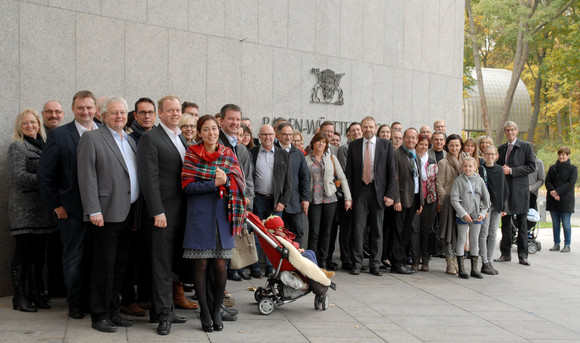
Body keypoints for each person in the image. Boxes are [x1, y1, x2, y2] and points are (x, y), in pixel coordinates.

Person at [77, 96, 138, 332]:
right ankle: (99, 314)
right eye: (114, 113)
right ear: (103, 115)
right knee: (104, 266)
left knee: (121, 266)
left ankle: (114, 310)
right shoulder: (91, 138)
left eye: (123, 113)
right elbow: (86, 176)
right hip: (104, 213)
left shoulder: (130, 140)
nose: (119, 117)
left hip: (128, 213)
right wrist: (93, 210)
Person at [181, 114, 245, 332]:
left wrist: (226, 182)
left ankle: (217, 309)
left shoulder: (228, 154)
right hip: (199, 216)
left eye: (214, 129)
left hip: (223, 216)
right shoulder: (192, 153)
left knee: (220, 265)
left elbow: (238, 180)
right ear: (199, 133)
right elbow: (187, 186)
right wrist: (212, 183)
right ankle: (205, 313)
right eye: (206, 129)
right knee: (200, 264)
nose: (211, 133)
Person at [38, 90, 99, 319]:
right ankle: (75, 303)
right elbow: (45, 175)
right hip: (71, 211)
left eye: (89, 107)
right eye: (81, 107)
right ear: (72, 109)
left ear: (96, 109)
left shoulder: (104, 132)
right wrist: (55, 205)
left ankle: (95, 300)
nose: (85, 112)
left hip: (101, 212)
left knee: (96, 259)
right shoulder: (59, 135)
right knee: (74, 258)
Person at [137, 95, 189, 336]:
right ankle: (162, 316)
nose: (175, 114)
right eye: (170, 111)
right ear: (160, 113)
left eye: (178, 110)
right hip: (162, 215)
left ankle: (165, 309)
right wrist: (157, 210)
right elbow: (149, 179)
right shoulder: (150, 138)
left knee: (170, 265)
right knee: (160, 265)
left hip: (180, 214)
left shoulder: (181, 138)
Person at [8, 109, 58, 312]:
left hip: (43, 211)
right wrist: (46, 181)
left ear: (39, 124)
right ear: (19, 127)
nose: (30, 126)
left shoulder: (45, 146)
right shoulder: (17, 147)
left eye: (33, 122)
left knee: (39, 255)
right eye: (25, 123)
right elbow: (19, 176)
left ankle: (36, 293)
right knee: (23, 254)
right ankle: (19, 297)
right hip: (24, 210)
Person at [346, 116, 397, 276]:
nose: (368, 130)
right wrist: (349, 195)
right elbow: (349, 172)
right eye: (365, 127)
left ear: (375, 128)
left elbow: (391, 171)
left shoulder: (386, 145)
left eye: (370, 127)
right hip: (360, 191)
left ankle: (375, 264)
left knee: (377, 229)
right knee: (358, 229)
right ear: (361, 128)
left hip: (378, 191)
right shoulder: (354, 145)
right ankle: (357, 263)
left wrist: (390, 194)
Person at [217, 104, 254, 281]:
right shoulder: (216, 144)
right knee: (219, 256)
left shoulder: (241, 149)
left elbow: (248, 180)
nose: (234, 122)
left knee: (228, 253)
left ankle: (220, 295)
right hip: (221, 207)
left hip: (239, 208)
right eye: (231, 118)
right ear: (221, 120)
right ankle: (217, 298)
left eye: (237, 119)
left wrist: (248, 203)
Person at [249, 124, 292, 277]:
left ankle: (270, 267)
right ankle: (255, 268)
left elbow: (289, 181)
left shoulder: (283, 155)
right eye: (264, 134)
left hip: (276, 202)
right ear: (259, 136)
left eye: (270, 134)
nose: (268, 137)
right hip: (257, 199)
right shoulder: (252, 153)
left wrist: (283, 201)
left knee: (274, 235)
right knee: (256, 234)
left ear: (275, 136)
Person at [306, 132, 352, 268]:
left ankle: (323, 261)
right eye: (319, 141)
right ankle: (310, 261)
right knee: (314, 232)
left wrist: (348, 198)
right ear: (313, 143)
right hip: (313, 200)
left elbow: (342, 178)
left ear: (326, 145)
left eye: (324, 142)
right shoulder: (306, 159)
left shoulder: (331, 158)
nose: (321, 144)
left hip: (330, 198)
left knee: (327, 231)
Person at [494, 121, 536, 266]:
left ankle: (523, 255)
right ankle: (505, 253)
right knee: (505, 223)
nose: (510, 132)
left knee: (522, 225)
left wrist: (512, 171)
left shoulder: (525, 147)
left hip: (520, 191)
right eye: (507, 130)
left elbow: (532, 166)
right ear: (505, 132)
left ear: (517, 131)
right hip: (506, 190)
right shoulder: (502, 148)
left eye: (512, 130)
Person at [450, 157, 490, 279]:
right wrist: (463, 214)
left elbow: (486, 200)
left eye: (470, 166)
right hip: (463, 216)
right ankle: (462, 269)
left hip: (477, 216)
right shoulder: (459, 181)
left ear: (475, 167)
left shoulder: (480, 181)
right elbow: (454, 199)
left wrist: (482, 214)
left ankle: (474, 268)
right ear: (462, 167)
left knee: (474, 240)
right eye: (465, 166)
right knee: (461, 240)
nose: (468, 169)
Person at [392, 128, 423, 274]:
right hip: (401, 199)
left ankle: (402, 261)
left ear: (417, 140)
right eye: (408, 137)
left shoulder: (415, 156)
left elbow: (418, 180)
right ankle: (397, 263)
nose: (411, 140)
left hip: (414, 198)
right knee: (398, 232)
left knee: (406, 232)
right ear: (403, 138)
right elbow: (394, 179)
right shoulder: (397, 154)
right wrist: (396, 199)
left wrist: (420, 201)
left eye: (414, 138)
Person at [276, 122, 310, 246]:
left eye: (290, 134)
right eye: (285, 134)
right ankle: (279, 262)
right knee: (279, 233)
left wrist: (305, 198)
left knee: (298, 232)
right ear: (278, 134)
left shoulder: (299, 153)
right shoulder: (273, 150)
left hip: (294, 200)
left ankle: (296, 261)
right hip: (277, 201)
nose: (288, 137)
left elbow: (305, 177)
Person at [478, 146, 509, 275]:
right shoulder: (481, 169)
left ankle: (489, 261)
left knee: (493, 234)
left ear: (496, 155)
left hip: (497, 206)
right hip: (485, 206)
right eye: (487, 154)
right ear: (483, 155)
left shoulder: (499, 170)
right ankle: (484, 261)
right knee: (484, 233)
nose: (490, 157)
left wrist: (504, 207)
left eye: (492, 154)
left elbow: (504, 189)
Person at [436, 134, 464, 275]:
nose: (454, 148)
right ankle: (450, 261)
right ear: (447, 146)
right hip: (448, 201)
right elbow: (439, 184)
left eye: (457, 145)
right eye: (451, 145)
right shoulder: (443, 162)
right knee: (448, 232)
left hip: (463, 203)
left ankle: (459, 260)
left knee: (461, 232)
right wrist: (446, 198)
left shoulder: (466, 160)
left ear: (461, 146)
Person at [411, 133, 438, 271]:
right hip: (415, 201)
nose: (423, 147)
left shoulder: (432, 161)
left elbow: (436, 181)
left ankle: (425, 260)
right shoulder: (412, 159)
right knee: (415, 230)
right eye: (421, 144)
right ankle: (415, 260)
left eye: (426, 145)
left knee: (426, 230)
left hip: (430, 201)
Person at [546, 146, 577, 253]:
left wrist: (558, 192)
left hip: (566, 200)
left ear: (568, 155)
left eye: (563, 155)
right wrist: (553, 192)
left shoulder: (572, 168)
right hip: (553, 199)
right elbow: (547, 182)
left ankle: (567, 244)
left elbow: (570, 183)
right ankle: (556, 243)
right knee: (555, 222)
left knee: (566, 223)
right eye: (560, 155)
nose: (561, 157)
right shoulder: (552, 168)